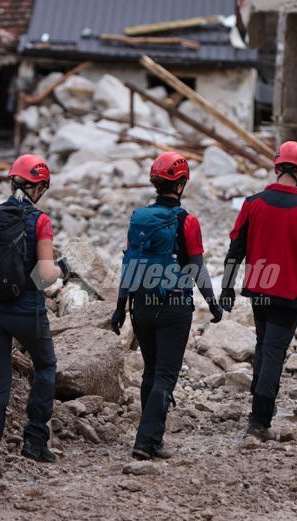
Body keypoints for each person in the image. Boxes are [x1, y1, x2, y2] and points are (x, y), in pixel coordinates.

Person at [110, 151, 223, 460]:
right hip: (174, 307)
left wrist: (120, 308)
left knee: (151, 372)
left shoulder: (140, 219)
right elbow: (197, 268)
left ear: (155, 183)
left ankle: (153, 438)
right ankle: (145, 441)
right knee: (165, 375)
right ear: (181, 183)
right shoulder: (187, 222)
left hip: (141, 305)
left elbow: (129, 265)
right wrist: (213, 304)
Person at [219, 141, 297, 440]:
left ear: (277, 167)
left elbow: (235, 247)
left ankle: (259, 405)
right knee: (273, 352)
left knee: (264, 344)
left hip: (259, 288)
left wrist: (227, 286)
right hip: (289, 293)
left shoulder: (253, 203)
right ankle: (259, 420)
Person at [0, 154, 62, 482]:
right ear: (37, 187)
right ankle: (35, 440)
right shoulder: (40, 221)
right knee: (46, 366)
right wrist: (61, 268)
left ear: (12, 181)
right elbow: (45, 276)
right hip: (27, 311)